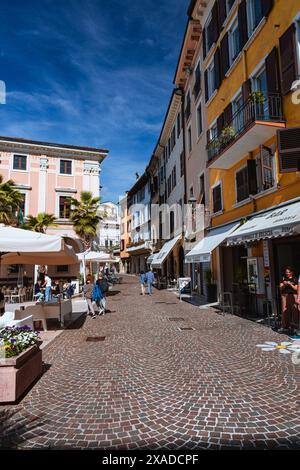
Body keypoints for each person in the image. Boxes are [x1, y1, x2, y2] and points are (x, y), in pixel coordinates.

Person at [279, 266, 298, 332]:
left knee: (294, 310)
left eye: (289, 272)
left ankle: (295, 326)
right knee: (284, 310)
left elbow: (296, 288)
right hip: (285, 295)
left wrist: (290, 284)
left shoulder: (295, 279)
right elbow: (280, 288)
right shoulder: (283, 278)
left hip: (293, 295)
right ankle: (285, 326)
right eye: (286, 272)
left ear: (291, 272)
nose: (287, 273)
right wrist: (284, 285)